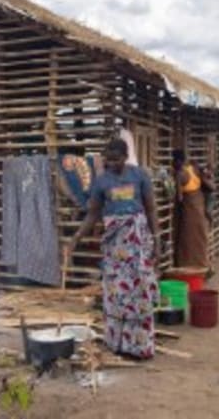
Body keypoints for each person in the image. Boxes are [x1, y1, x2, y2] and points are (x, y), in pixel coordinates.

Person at [63, 138, 161, 359]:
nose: (111, 164)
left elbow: (152, 209)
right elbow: (93, 214)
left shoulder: (139, 175)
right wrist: (76, 238)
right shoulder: (101, 181)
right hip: (115, 247)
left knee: (140, 292)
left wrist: (158, 240)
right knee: (116, 295)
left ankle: (140, 346)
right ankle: (118, 345)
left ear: (125, 157)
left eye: (116, 159)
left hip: (137, 244)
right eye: (108, 160)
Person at [172, 150, 213, 270]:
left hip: (189, 211)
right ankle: (203, 265)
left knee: (187, 240)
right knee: (200, 239)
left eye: (174, 161)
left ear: (177, 161)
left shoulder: (180, 174)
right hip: (199, 208)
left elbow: (179, 197)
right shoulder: (193, 169)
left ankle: (188, 266)